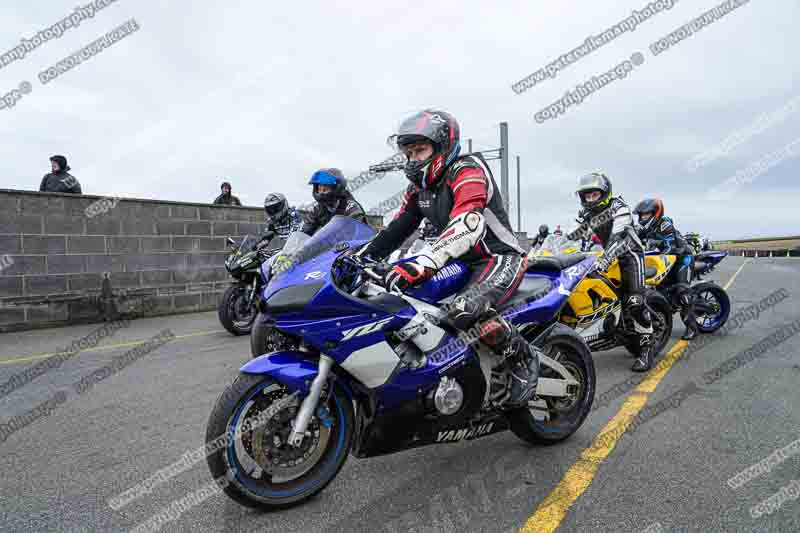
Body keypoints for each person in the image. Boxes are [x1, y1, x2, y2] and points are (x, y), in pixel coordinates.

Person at [359, 109, 539, 406]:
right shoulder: (419, 188)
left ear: (443, 146)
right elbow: (396, 230)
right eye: (409, 152)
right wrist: (359, 258)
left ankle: (521, 359)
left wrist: (420, 265)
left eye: (420, 150)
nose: (414, 158)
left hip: (497, 256)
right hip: (457, 261)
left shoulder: (468, 170)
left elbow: (466, 225)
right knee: (403, 297)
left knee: (464, 310)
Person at [567, 172, 655, 372]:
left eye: (594, 195)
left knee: (635, 302)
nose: (590, 199)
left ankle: (647, 348)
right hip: (606, 256)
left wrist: (605, 259)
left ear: (604, 193)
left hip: (630, 255)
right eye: (586, 195)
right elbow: (571, 235)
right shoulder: (587, 215)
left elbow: (619, 237)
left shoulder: (619, 207)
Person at [633, 198, 698, 341]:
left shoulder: (665, 225)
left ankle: (692, 327)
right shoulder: (647, 228)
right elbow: (634, 239)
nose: (642, 218)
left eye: (645, 215)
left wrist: (654, 254)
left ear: (655, 213)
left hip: (682, 259)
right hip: (666, 261)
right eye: (641, 215)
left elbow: (670, 248)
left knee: (683, 292)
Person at [301, 168, 367, 236]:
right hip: (328, 245)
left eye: (326, 187)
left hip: (352, 244)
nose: (321, 190)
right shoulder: (317, 209)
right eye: (319, 186)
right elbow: (305, 230)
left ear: (337, 187)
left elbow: (356, 233)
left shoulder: (351, 208)